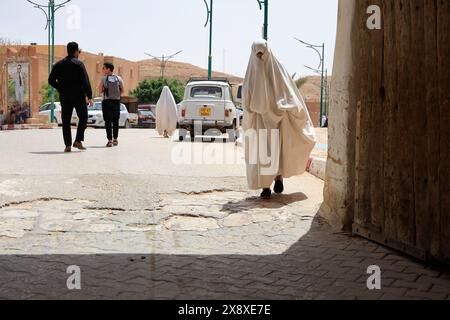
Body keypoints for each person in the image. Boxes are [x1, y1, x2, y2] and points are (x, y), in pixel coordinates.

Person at [242, 40, 316, 199]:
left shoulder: (252, 72)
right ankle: (277, 179)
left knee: (265, 153)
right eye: (258, 54)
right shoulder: (278, 68)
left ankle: (266, 186)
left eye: (262, 54)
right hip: (275, 119)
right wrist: (284, 106)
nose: (260, 58)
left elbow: (246, 101)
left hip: (263, 122)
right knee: (276, 150)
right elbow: (289, 94)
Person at [49, 42, 93, 153]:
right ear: (76, 51)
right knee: (83, 117)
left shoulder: (58, 65)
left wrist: (60, 87)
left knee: (66, 121)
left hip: (65, 97)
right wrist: (90, 96)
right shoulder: (79, 64)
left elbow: (50, 80)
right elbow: (85, 81)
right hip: (78, 96)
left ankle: (68, 145)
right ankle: (78, 140)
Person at [97, 62, 124, 147]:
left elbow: (100, 91)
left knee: (108, 121)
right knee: (116, 120)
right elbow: (122, 91)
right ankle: (115, 139)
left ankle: (109, 140)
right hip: (116, 102)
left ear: (108, 69)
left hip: (106, 102)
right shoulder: (119, 78)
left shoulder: (104, 79)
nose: (103, 70)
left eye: (104, 68)